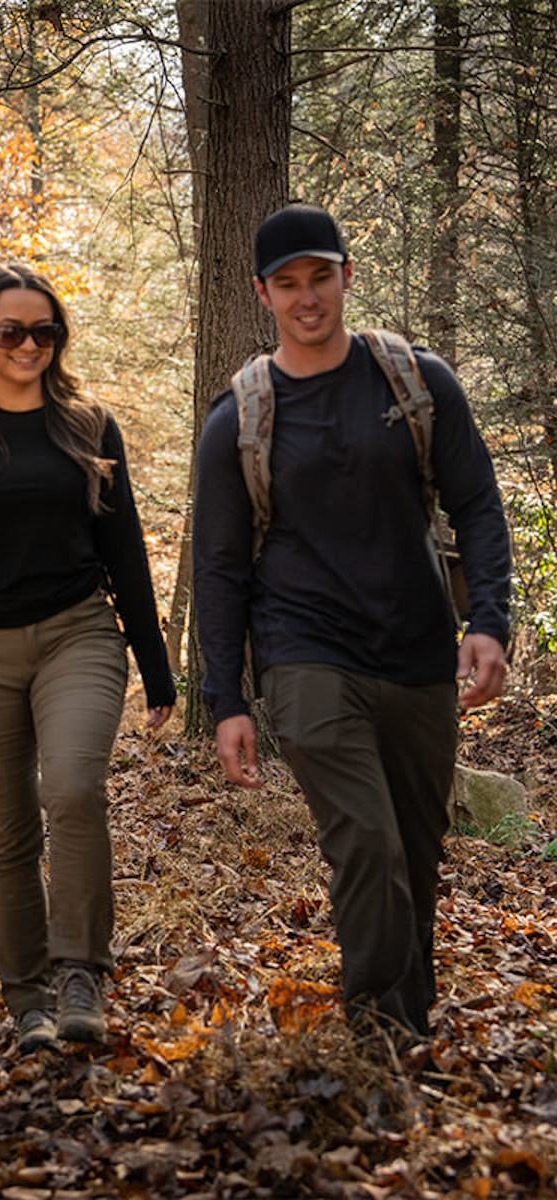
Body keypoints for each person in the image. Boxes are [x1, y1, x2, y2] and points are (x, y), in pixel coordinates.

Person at [192, 203, 512, 1043]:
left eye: (320, 278)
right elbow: (219, 570)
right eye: (288, 283)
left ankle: (408, 1018)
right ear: (262, 293)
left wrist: (489, 620)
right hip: (305, 659)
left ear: (345, 276)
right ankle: (381, 1036)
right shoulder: (239, 421)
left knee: (414, 849)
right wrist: (226, 701)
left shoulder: (416, 383)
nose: (307, 298)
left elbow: (477, 505)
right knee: (367, 843)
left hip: (418, 656)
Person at [0, 264, 175, 1052]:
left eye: (44, 331)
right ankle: (28, 1000)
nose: (29, 345)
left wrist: (157, 669)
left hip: (76, 633)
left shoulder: (88, 426)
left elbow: (124, 549)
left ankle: (81, 972)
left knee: (75, 789)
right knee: (6, 831)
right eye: (11, 331)